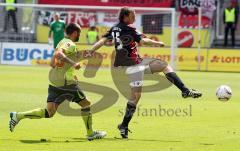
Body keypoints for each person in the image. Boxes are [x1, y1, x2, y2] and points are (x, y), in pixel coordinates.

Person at [85, 7, 202, 139]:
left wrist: (91, 50)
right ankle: (185, 90)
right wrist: (157, 43)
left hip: (128, 67)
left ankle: (123, 126)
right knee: (160, 71)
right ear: (126, 16)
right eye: (132, 14)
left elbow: (102, 40)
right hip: (133, 65)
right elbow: (143, 41)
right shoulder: (129, 29)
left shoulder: (115, 28)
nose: (135, 15)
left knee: (141, 90)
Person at [9, 23, 107, 141]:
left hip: (55, 82)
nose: (80, 35)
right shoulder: (69, 43)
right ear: (75, 33)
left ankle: (17, 116)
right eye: (79, 33)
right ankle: (91, 133)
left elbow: (52, 62)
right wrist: (73, 64)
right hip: (66, 84)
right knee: (86, 104)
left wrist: (70, 73)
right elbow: (58, 54)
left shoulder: (61, 42)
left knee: (49, 112)